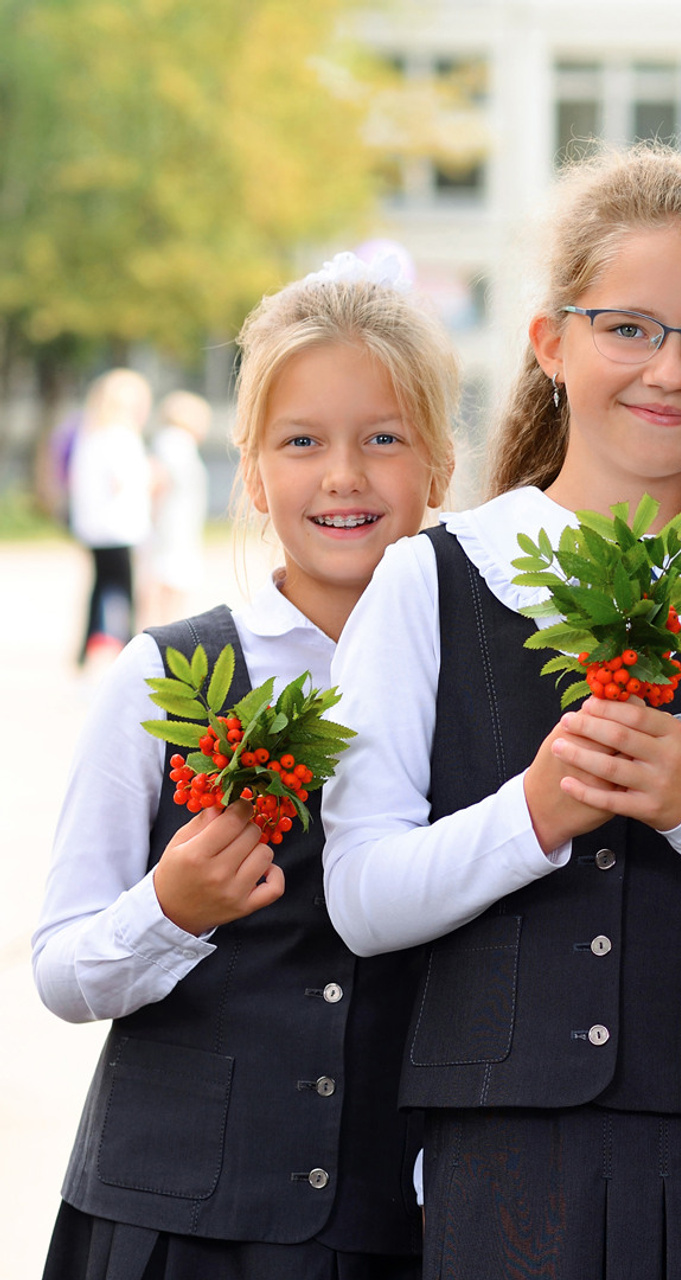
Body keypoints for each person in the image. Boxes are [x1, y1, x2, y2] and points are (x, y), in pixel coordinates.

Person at [321, 144, 681, 1280]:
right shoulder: (432, 577)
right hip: (505, 1164)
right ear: (549, 342)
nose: (668, 368)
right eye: (628, 326)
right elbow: (362, 900)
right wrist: (534, 811)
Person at [32, 251, 459, 1280]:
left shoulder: (482, 680)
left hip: (386, 1223)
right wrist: (169, 905)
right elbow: (61, 966)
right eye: (301, 440)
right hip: (172, 1223)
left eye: (383, 439)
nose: (343, 474)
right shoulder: (164, 672)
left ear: (440, 464)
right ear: (254, 470)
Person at [67, 367, 155, 666]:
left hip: (93, 527)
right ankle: (131, 648)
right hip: (119, 528)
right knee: (124, 590)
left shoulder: (90, 435)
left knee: (99, 587)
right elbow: (121, 481)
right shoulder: (120, 436)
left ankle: (84, 649)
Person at [144, 389, 213, 626]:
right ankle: (167, 628)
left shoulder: (174, 441)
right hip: (172, 521)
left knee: (171, 575)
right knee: (170, 576)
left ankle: (168, 625)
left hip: (179, 519)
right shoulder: (174, 442)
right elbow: (156, 479)